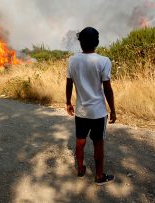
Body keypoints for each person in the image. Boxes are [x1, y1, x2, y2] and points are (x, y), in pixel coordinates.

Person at [65, 27, 116, 185]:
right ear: (97, 42)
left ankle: (80, 169)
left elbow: (69, 83)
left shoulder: (72, 60)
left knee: (80, 141)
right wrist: (113, 110)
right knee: (98, 143)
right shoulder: (104, 61)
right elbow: (107, 88)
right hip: (98, 113)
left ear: (80, 43)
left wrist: (68, 102)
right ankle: (99, 176)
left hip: (81, 111)